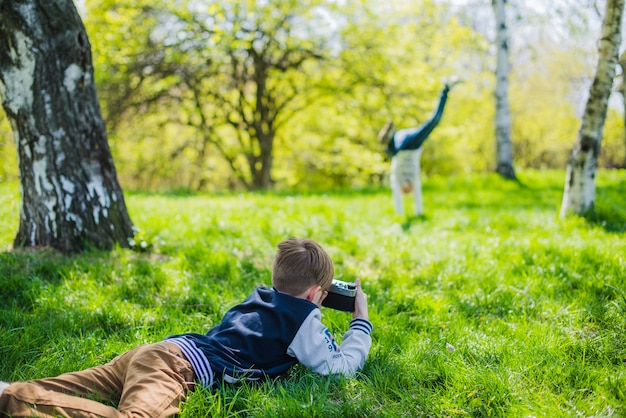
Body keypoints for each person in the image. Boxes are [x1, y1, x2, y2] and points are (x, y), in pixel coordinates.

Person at [0, 237, 372, 418]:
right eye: (321, 297)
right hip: (176, 369)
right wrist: (360, 323)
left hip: (156, 352)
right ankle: (8, 397)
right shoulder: (304, 317)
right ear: (315, 293)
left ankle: (12, 392)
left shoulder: (261, 296)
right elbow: (335, 367)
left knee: (76, 387)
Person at [379, 80, 458, 217]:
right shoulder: (414, 178)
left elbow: (398, 197)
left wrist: (400, 215)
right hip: (412, 142)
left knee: (433, 122)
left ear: (404, 190)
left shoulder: (396, 180)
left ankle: (389, 137)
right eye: (411, 191)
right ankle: (445, 90)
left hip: (403, 144)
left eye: (407, 191)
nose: (410, 191)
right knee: (433, 122)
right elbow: (418, 195)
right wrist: (418, 214)